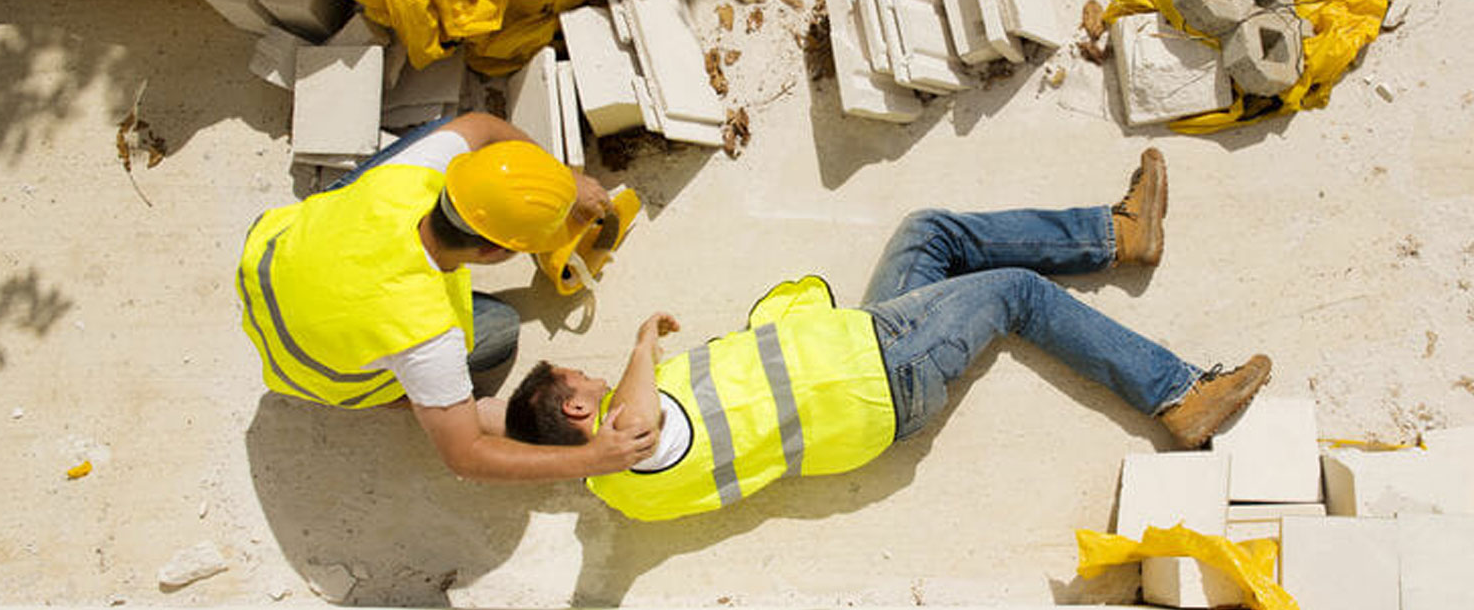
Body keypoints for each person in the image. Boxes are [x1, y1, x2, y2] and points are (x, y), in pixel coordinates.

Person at [504, 149, 1271, 520]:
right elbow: (639, 424)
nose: (599, 380)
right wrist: (643, 344)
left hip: (858, 351)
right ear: (578, 414)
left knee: (927, 233)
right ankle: (1178, 394)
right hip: (880, 376)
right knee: (1015, 294)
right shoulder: (631, 451)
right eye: (584, 383)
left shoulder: (619, 492)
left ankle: (1116, 235)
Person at [236, 111, 656, 482]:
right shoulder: (427, 331)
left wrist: (565, 182)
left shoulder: (409, 180)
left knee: (445, 132)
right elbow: (465, 456)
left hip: (273, 264)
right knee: (498, 329)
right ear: (495, 251)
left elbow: (483, 125)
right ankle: (404, 398)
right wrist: (592, 458)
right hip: (311, 369)